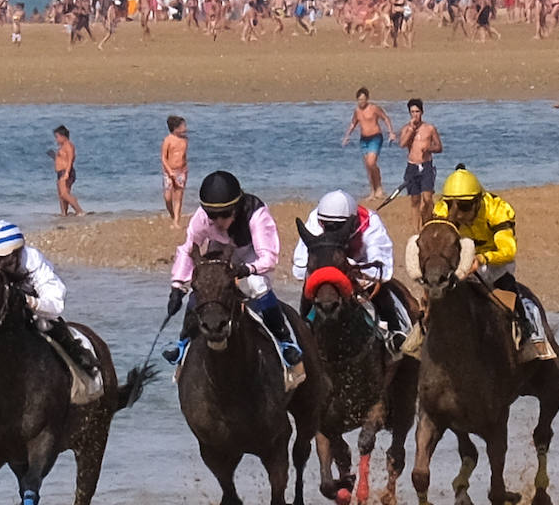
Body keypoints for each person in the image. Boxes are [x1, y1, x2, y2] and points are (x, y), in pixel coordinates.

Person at [163, 170, 303, 366]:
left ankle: (285, 342)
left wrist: (247, 269)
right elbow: (188, 249)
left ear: (236, 209)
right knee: (205, 284)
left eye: (225, 215)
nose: (218, 221)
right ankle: (182, 342)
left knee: (257, 286)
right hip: (220, 249)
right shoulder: (202, 217)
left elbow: (269, 258)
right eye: (213, 215)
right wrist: (177, 286)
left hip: (251, 254)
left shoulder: (256, 214)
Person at [0, 220, 96, 375]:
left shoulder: (32, 260)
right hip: (0, 323)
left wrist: (31, 302)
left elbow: (56, 304)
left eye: (4, 259)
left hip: (36, 316)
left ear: (16, 253)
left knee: (49, 327)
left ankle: (86, 369)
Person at [430, 167, 554, 359]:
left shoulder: (497, 209)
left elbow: (508, 250)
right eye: (451, 205)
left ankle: (529, 330)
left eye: (464, 207)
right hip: (460, 262)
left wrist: (481, 259)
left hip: (495, 262)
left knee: (506, 289)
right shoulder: (442, 210)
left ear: (477, 201)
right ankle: (418, 335)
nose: (457, 214)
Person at [291, 189, 414, 352]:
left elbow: (383, 271)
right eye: (327, 225)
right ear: (321, 221)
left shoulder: (371, 223)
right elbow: (299, 268)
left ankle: (395, 332)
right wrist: (327, 266)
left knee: (381, 289)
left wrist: (349, 266)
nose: (332, 230)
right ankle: (303, 334)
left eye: (339, 226)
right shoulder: (315, 220)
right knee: (308, 285)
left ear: (353, 222)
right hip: (324, 277)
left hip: (361, 276)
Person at [341, 88, 397, 199]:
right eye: (359, 100)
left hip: (375, 138)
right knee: (368, 166)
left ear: (367, 99)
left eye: (363, 99)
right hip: (363, 140)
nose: (361, 102)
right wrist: (347, 136)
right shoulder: (357, 111)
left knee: (371, 163)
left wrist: (391, 132)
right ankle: (372, 191)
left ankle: (379, 188)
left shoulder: (374, 108)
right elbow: (353, 123)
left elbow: (385, 118)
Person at [398, 98, 443, 225]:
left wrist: (429, 149)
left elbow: (439, 147)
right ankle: (416, 230)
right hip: (412, 166)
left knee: (427, 198)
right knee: (415, 200)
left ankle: (429, 221)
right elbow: (402, 144)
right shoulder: (406, 129)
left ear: (422, 112)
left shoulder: (429, 128)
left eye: (417, 112)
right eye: (412, 112)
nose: (415, 115)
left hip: (426, 165)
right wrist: (411, 129)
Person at [161, 115, 189, 228]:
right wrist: (169, 171)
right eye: (183, 126)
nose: (185, 128)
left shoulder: (185, 140)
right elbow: (164, 158)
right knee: (168, 197)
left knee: (178, 196)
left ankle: (177, 220)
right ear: (175, 128)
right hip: (169, 171)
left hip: (181, 171)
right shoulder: (168, 140)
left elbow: (183, 156)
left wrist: (185, 169)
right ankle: (173, 215)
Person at [51, 125, 84, 216]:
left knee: (64, 194)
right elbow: (62, 159)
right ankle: (64, 214)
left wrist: (67, 173)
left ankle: (79, 210)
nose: (56, 140)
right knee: (61, 196)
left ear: (63, 136)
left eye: (57, 137)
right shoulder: (62, 147)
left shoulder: (68, 145)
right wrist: (55, 157)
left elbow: (70, 160)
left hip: (65, 171)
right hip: (60, 172)